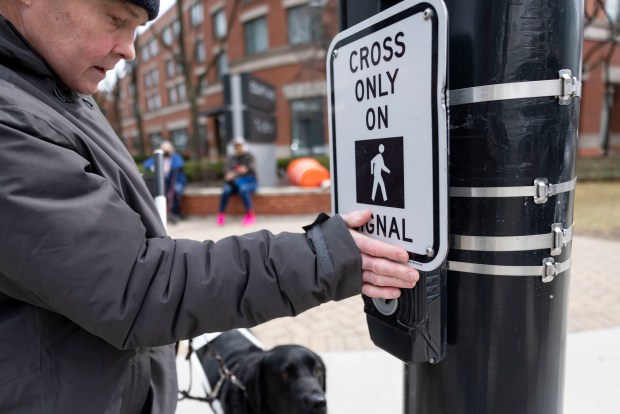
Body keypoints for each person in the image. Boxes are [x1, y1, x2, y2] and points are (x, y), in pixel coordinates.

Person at [0, 1, 419, 413]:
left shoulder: (56, 93)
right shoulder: (14, 114)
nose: (129, 48)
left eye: (138, 29)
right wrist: (321, 257)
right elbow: (137, 284)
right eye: (115, 18)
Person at [217, 137, 258, 226]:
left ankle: (250, 214)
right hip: (234, 184)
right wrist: (229, 175)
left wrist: (238, 171)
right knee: (226, 190)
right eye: (236, 147)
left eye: (239, 146)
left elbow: (249, 169)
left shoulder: (249, 157)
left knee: (243, 189)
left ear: (244, 146)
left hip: (249, 182)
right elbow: (227, 171)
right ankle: (221, 214)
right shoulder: (231, 158)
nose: (238, 148)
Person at [143, 140, 188, 222]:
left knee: (176, 191)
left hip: (176, 181)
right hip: (164, 182)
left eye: (167, 150)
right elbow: (146, 164)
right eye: (164, 150)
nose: (166, 152)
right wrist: (153, 167)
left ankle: (175, 213)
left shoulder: (175, 157)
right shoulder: (159, 157)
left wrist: (170, 161)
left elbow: (178, 165)